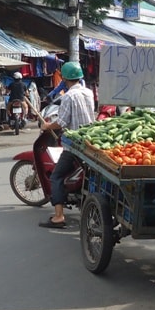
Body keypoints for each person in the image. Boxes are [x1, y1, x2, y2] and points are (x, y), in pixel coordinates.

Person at [39, 61, 95, 228]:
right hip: (91, 140)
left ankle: (58, 216)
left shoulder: (68, 96)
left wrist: (48, 126)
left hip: (75, 144)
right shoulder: (89, 92)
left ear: (64, 79)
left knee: (56, 176)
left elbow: (62, 122)